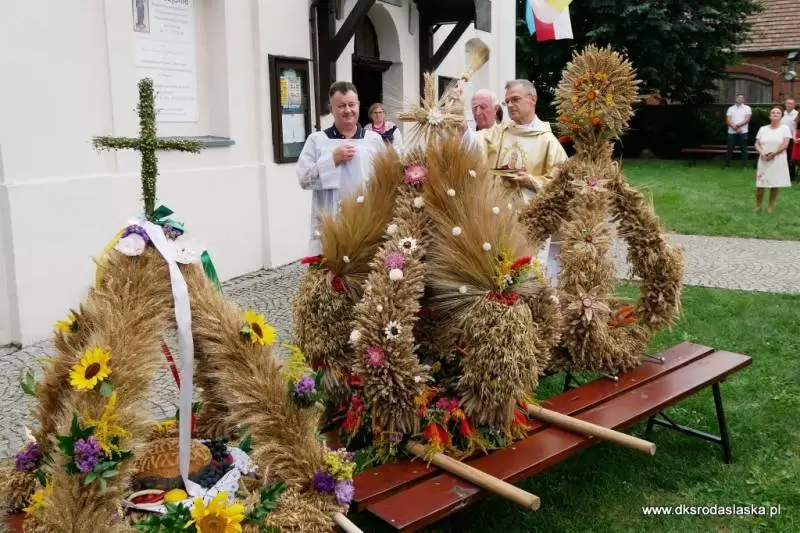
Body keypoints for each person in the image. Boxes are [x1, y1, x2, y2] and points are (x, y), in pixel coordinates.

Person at [469, 79, 568, 285]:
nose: (510, 105)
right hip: (500, 214)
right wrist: (456, 122)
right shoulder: (502, 132)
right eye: (507, 102)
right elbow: (473, 141)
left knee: (528, 273)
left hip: (531, 218)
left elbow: (563, 183)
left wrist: (531, 180)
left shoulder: (547, 141)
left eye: (515, 99)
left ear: (533, 99)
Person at [297, 81, 386, 254]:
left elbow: (385, 180)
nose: (348, 110)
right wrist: (331, 160)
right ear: (331, 108)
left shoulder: (373, 140)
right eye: (341, 106)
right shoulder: (317, 141)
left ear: (358, 105)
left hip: (366, 224)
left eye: (351, 105)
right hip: (331, 225)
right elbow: (304, 179)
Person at [754, 105, 792, 213]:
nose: (775, 114)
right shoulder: (763, 129)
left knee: (775, 184)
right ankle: (758, 206)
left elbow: (785, 144)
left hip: (778, 159)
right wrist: (762, 153)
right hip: (764, 159)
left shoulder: (785, 129)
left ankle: (770, 206)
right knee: (760, 184)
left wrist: (773, 154)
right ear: (769, 115)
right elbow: (757, 143)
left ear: (781, 116)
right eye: (773, 112)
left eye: (778, 113)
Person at [725, 94, 752, 169]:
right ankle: (727, 165)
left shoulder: (747, 108)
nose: (739, 99)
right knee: (730, 149)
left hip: (743, 132)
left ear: (743, 100)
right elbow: (728, 120)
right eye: (738, 97)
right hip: (731, 132)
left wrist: (737, 126)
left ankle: (744, 166)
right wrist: (735, 127)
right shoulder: (730, 108)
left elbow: (747, 119)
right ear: (735, 99)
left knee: (744, 149)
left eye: (741, 98)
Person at [780, 97, 797, 181]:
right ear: (785, 104)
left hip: (792, 139)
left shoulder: (797, 114)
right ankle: (782, 174)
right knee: (782, 157)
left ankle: (791, 176)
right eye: (787, 103)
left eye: (791, 104)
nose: (789, 105)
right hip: (781, 139)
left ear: (794, 105)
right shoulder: (782, 113)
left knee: (791, 158)